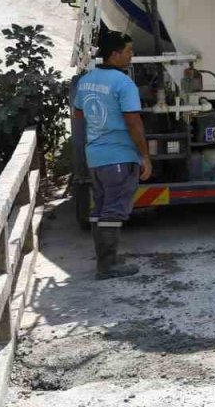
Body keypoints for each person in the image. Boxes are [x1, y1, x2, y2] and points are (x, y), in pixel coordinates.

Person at [72, 30, 152, 280]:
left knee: (101, 208)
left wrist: (100, 121)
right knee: (113, 211)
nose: (131, 55)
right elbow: (133, 122)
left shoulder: (86, 80)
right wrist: (145, 156)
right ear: (115, 54)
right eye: (128, 51)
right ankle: (107, 266)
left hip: (96, 156)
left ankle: (107, 261)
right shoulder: (123, 83)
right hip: (118, 156)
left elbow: (78, 113)